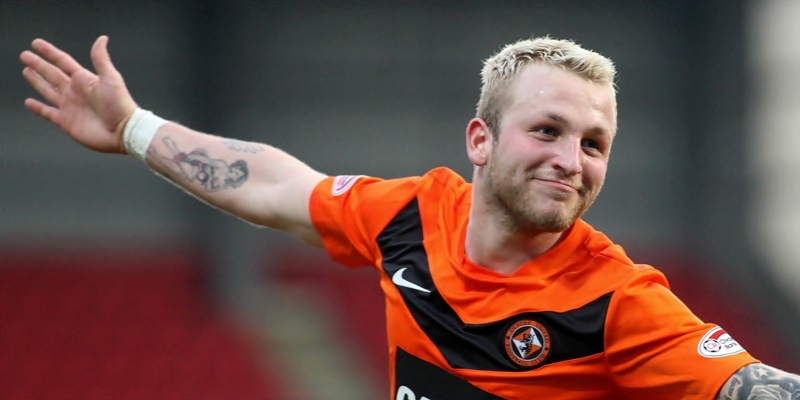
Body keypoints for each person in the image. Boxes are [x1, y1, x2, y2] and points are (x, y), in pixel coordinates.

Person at [19, 35, 800, 400]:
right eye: (549, 131)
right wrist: (133, 128)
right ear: (481, 140)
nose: (572, 159)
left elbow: (748, 387)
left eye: (596, 143)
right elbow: (272, 185)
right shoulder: (410, 217)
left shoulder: (618, 300)